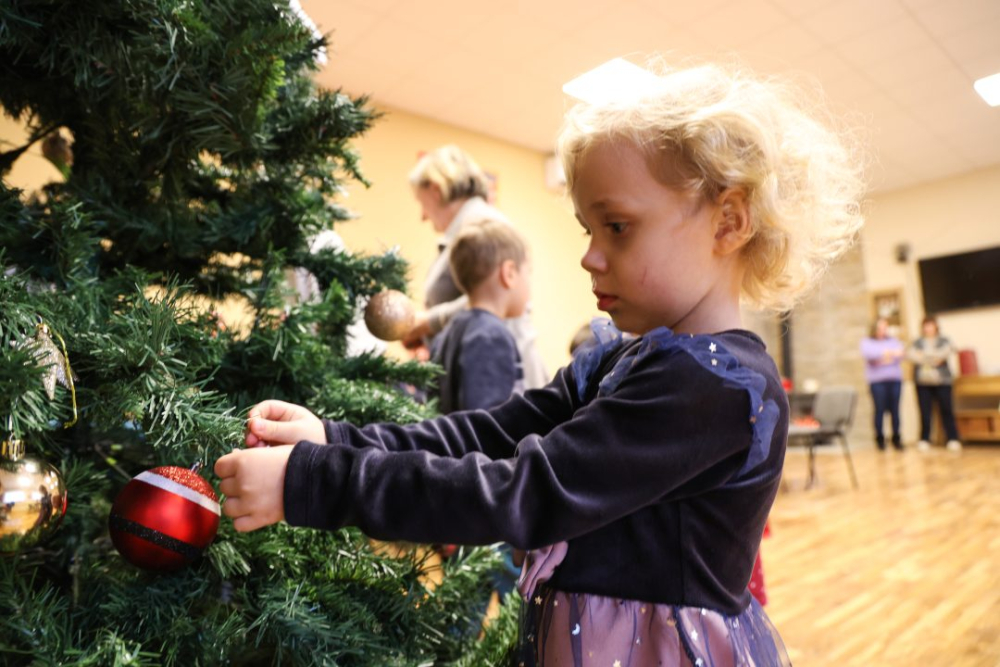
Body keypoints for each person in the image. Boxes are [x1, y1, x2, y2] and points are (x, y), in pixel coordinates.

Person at [216, 61, 865, 666]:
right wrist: (334, 438)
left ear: (728, 222)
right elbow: (490, 429)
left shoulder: (714, 387)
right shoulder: (623, 355)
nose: (588, 256)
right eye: (587, 229)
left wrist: (316, 481)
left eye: (617, 227)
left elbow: (527, 491)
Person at [402, 145, 548, 389]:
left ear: (436, 190)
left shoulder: (483, 226)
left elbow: (493, 298)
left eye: (421, 202)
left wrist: (426, 322)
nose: (423, 216)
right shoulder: (469, 228)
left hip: (496, 378)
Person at [430, 219, 530, 415]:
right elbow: (489, 424)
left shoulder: (447, 333)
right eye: (529, 272)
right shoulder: (491, 337)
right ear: (509, 273)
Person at [908, 315, 962, 451]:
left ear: (936, 326)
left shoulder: (944, 340)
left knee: (946, 410)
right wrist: (933, 358)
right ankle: (925, 439)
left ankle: (952, 438)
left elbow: (945, 353)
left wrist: (924, 356)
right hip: (923, 382)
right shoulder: (917, 342)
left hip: (943, 381)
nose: (929, 328)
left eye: (931, 325)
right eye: (926, 325)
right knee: (925, 412)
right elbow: (912, 355)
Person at [860, 317, 905, 450]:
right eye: (880, 328)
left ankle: (896, 438)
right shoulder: (867, 342)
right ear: (874, 329)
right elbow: (870, 355)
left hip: (895, 380)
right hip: (877, 382)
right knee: (879, 410)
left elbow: (901, 354)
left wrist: (883, 356)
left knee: (895, 411)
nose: (883, 330)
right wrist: (889, 354)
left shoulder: (893, 340)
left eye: (885, 328)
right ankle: (880, 439)